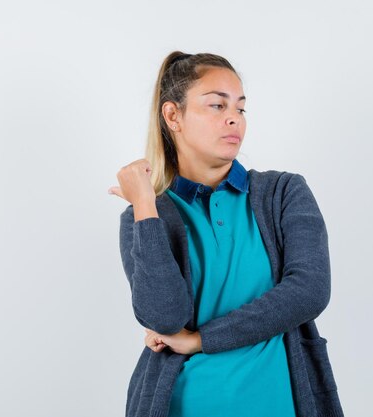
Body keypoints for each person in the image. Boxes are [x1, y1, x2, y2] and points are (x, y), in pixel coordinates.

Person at [108, 51, 344, 417]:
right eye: (217, 105)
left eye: (240, 108)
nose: (234, 117)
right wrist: (144, 204)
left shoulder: (282, 193)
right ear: (173, 116)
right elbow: (165, 317)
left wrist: (201, 340)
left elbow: (309, 290)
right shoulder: (144, 217)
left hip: (277, 404)